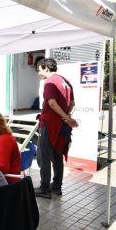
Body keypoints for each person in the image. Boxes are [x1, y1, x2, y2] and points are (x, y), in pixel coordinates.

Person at [35, 58, 78, 199]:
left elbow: (52, 103)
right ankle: (57, 187)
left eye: (39, 69)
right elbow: (72, 104)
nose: (38, 72)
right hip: (62, 126)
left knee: (44, 156)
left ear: (46, 68)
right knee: (57, 155)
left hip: (50, 124)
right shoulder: (66, 81)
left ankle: (45, 188)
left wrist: (64, 117)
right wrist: (66, 117)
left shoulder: (50, 82)